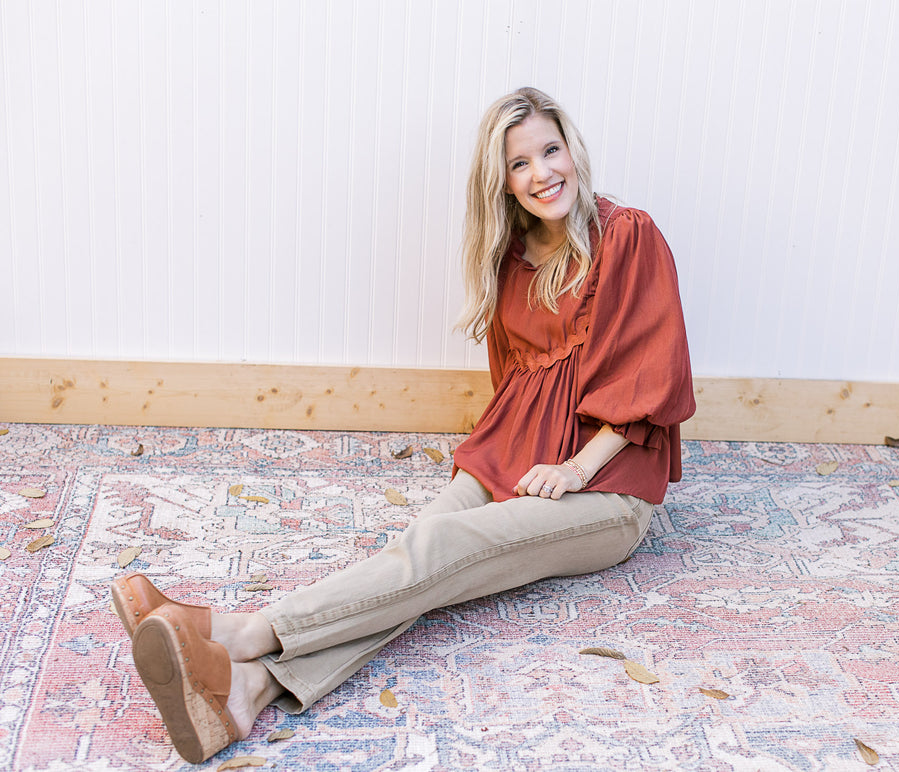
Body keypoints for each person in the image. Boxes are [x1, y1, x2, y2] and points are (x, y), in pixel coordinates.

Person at [111, 86, 696, 763]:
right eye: (520, 164)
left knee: (439, 555)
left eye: (550, 150)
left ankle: (234, 633)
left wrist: (574, 469)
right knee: (421, 549)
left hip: (604, 488)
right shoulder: (510, 260)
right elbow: (517, 386)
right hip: (515, 459)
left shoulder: (627, 236)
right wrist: (498, 468)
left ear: (572, 149)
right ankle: (247, 694)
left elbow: (649, 379)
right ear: (501, 183)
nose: (542, 173)